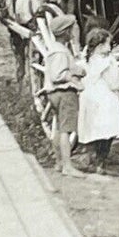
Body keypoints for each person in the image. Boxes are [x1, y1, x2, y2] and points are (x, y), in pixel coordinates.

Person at [77, 26, 119, 172]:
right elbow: (114, 81)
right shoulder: (108, 62)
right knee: (108, 130)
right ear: (100, 46)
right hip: (104, 98)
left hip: (89, 97)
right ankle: (101, 160)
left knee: (93, 128)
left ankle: (91, 155)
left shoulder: (86, 59)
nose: (110, 47)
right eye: (108, 44)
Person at [40, 15, 86, 178]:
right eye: (72, 29)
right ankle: (68, 165)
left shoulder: (55, 48)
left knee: (59, 128)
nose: (74, 32)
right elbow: (58, 75)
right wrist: (75, 77)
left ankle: (59, 162)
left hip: (54, 94)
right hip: (65, 93)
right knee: (67, 130)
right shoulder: (60, 51)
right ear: (66, 32)